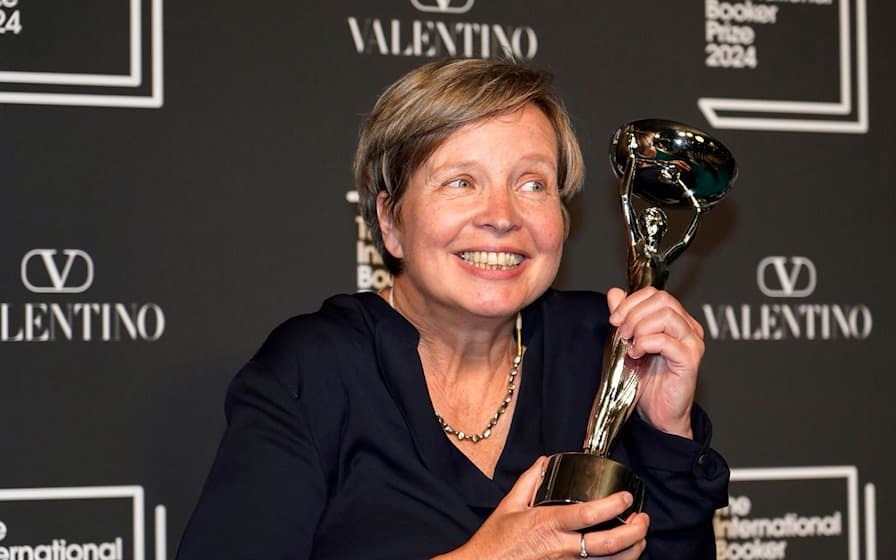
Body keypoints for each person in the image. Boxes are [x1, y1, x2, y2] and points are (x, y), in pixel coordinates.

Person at [177, 58, 728, 560]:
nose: (501, 215)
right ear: (390, 221)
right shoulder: (315, 368)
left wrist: (666, 432)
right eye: (461, 182)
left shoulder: (602, 344)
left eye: (533, 184)